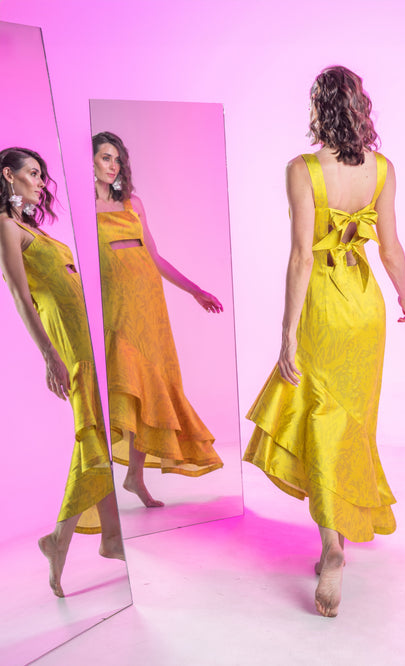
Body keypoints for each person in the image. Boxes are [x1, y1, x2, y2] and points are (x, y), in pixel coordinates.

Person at [243, 66, 405, 618]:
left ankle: (332, 547)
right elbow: (390, 247)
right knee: (353, 421)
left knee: (322, 417)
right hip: (365, 306)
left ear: (318, 108)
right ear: (361, 107)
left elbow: (302, 255)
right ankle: (336, 537)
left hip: (322, 304)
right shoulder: (382, 168)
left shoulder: (302, 169)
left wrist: (286, 334)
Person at [0, 147, 124, 598]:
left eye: (41, 175)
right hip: (66, 340)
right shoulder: (5, 226)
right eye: (32, 174)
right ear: (8, 176)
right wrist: (49, 356)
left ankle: (106, 536)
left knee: (97, 430)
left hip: (83, 333)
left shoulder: (29, 227)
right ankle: (68, 539)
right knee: (91, 429)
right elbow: (20, 295)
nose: (40, 182)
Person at [93, 131, 224, 509]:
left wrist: (195, 290)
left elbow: (154, 257)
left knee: (152, 388)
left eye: (117, 158)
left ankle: (134, 476)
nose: (113, 165)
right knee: (124, 388)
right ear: (91, 161)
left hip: (150, 308)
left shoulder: (132, 203)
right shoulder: (83, 207)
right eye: (105, 157)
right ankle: (98, 484)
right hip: (116, 308)